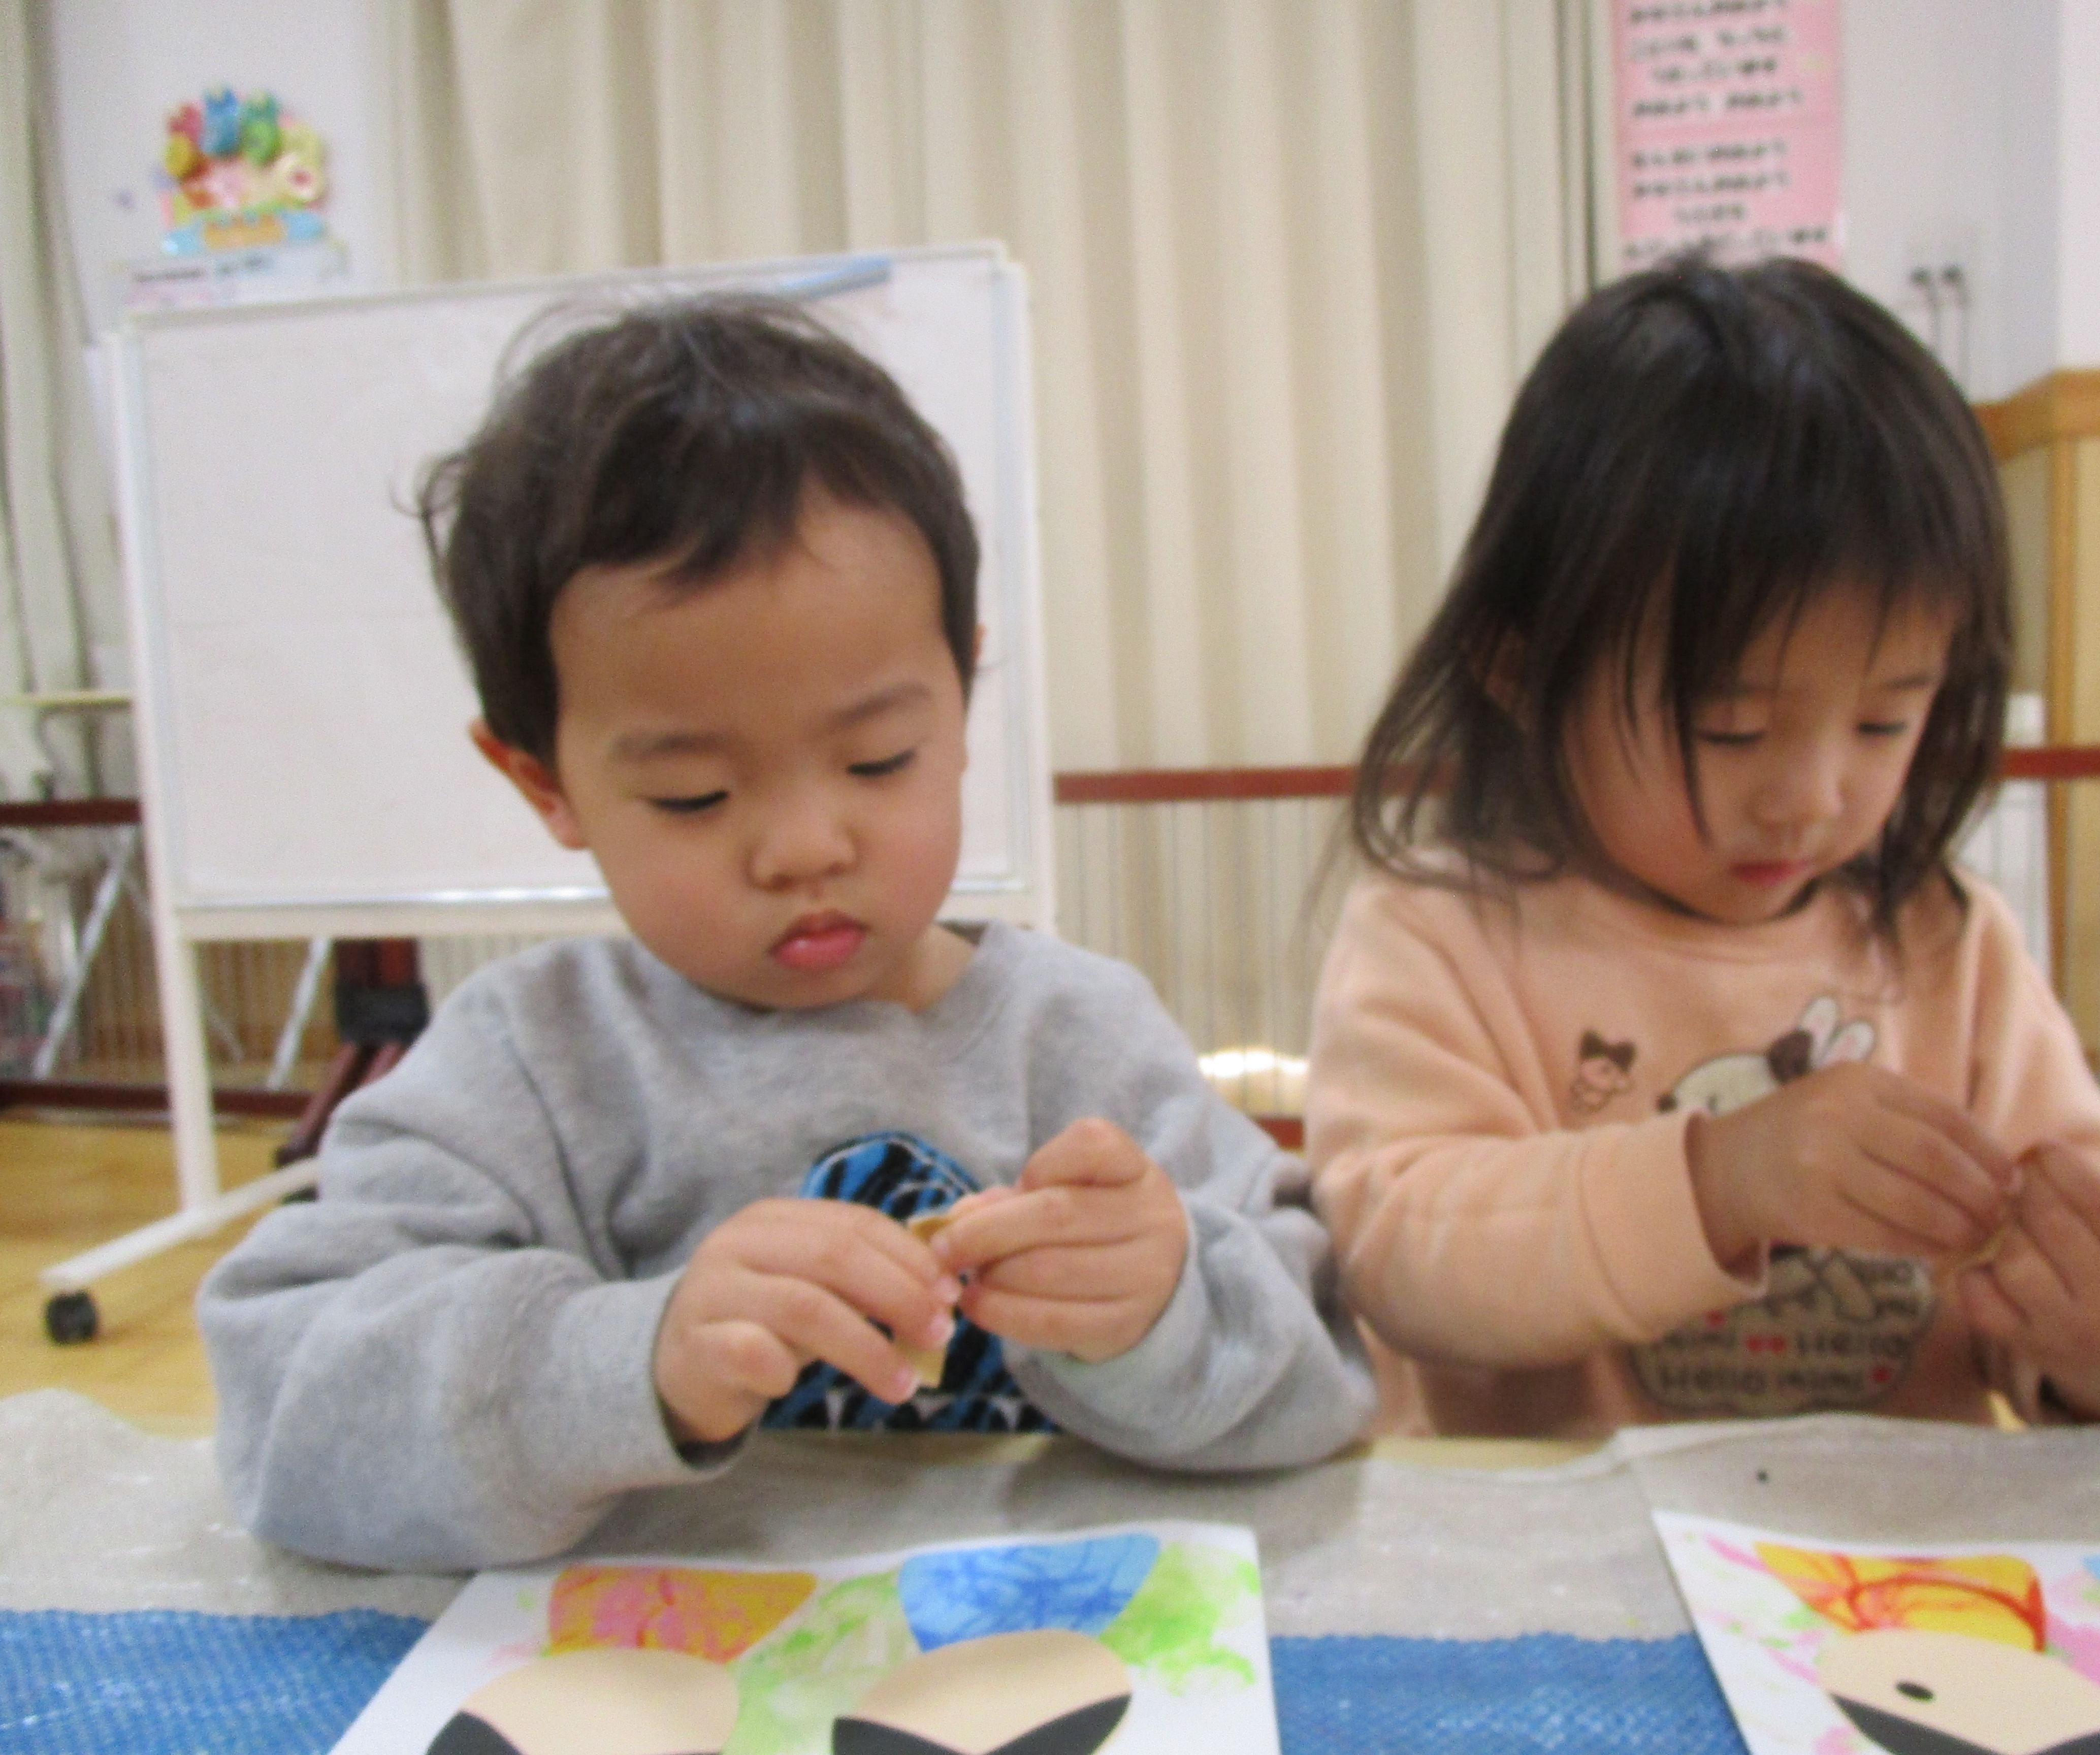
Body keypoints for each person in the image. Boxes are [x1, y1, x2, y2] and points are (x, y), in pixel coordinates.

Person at [200, 295, 1374, 1571]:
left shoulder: (1078, 1039)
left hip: (1034, 1640)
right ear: (544, 783)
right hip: (653, 1662)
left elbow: (1323, 1370)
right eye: (694, 795)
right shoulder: (530, 1067)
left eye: (878, 759)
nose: (806, 847)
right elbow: (286, 1409)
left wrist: (1164, 1312)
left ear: (960, 702)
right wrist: (629, 1360)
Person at [1305, 256, 2100, 1440]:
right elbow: (1398, 1254)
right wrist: (1719, 1182)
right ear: (1521, 671)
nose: (1812, 797)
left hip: (1894, 1548)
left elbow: (2086, 1260)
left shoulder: (1948, 948)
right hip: (1567, 1546)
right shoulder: (1441, 935)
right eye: (1731, 729)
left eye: (1884, 721)